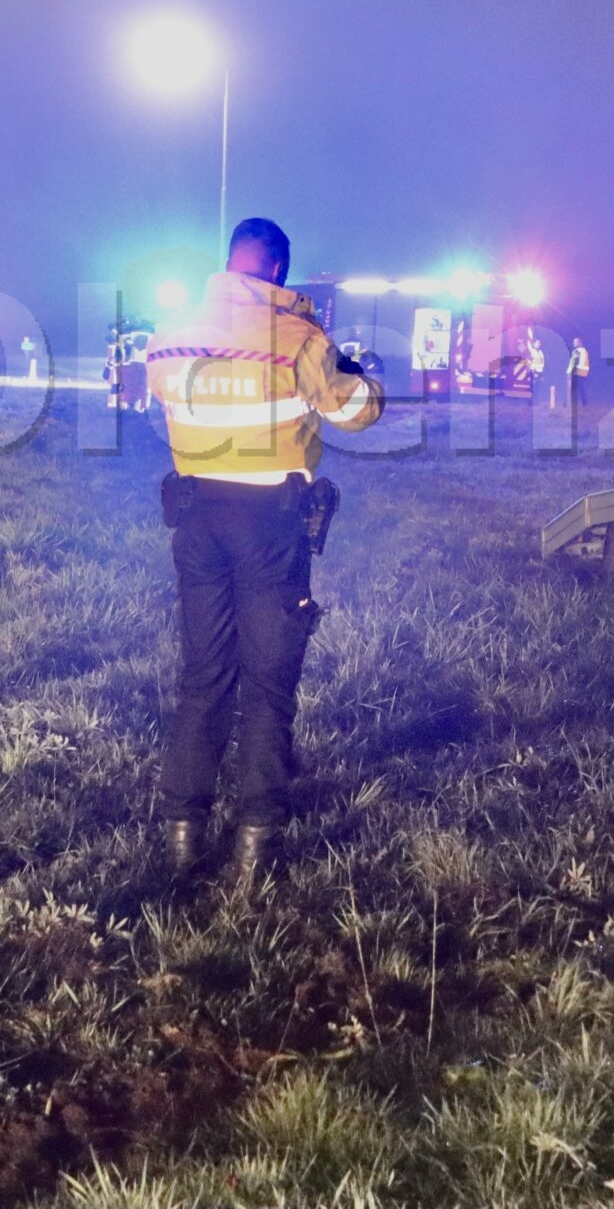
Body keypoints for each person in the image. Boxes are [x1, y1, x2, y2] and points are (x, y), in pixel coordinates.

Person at [145, 216, 383, 892]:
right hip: (271, 529)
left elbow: (165, 389)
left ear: (228, 264)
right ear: (277, 270)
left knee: (203, 678)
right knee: (268, 686)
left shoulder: (173, 336)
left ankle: (183, 834)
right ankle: (254, 843)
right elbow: (357, 411)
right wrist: (358, 373)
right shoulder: (300, 339)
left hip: (194, 521)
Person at [567, 335, 592, 408]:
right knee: (581, 389)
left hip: (577, 372)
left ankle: (573, 404)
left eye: (575, 342)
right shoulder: (585, 351)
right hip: (584, 373)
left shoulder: (576, 351)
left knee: (573, 389)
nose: (574, 343)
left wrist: (568, 372)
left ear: (579, 343)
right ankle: (584, 403)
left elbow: (573, 363)